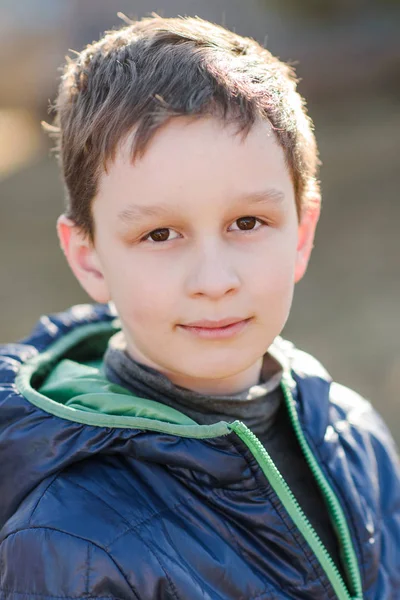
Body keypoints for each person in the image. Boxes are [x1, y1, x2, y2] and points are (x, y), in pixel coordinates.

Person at [0, 14, 399, 600]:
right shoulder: (68, 542)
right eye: (160, 234)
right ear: (88, 258)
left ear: (302, 234)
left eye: (247, 222)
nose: (214, 281)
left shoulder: (354, 431)